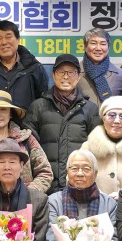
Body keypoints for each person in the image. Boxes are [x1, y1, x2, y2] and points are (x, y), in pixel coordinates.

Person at [27, 54, 100, 193]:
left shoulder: (90, 109)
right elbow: (29, 145)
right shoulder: (38, 106)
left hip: (79, 184)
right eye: (61, 72)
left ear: (79, 76)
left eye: (71, 72)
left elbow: (96, 150)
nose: (66, 77)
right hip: (45, 185)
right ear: (53, 75)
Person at [82, 96, 122, 196]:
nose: (117, 121)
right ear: (103, 118)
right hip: (95, 202)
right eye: (111, 115)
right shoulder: (87, 148)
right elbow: (73, 178)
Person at [0, 20, 48, 110]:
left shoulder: (34, 67)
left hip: (27, 119)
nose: (4, 42)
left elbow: (43, 102)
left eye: (8, 37)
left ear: (18, 39)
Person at [78, 28, 122, 106]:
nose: (98, 48)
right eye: (93, 43)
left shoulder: (121, 75)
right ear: (85, 46)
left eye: (103, 44)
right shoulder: (74, 73)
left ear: (108, 47)